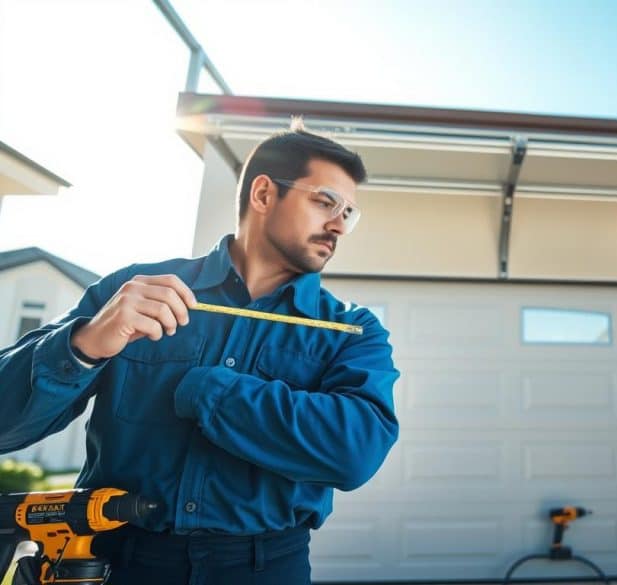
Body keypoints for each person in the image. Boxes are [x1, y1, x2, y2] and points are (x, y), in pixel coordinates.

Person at [0, 119, 399, 584]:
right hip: (117, 561)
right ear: (264, 194)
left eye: (349, 212)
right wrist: (84, 344)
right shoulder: (132, 291)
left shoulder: (351, 330)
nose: (339, 225)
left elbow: (355, 452)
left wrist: (209, 391)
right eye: (325, 202)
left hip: (265, 568)